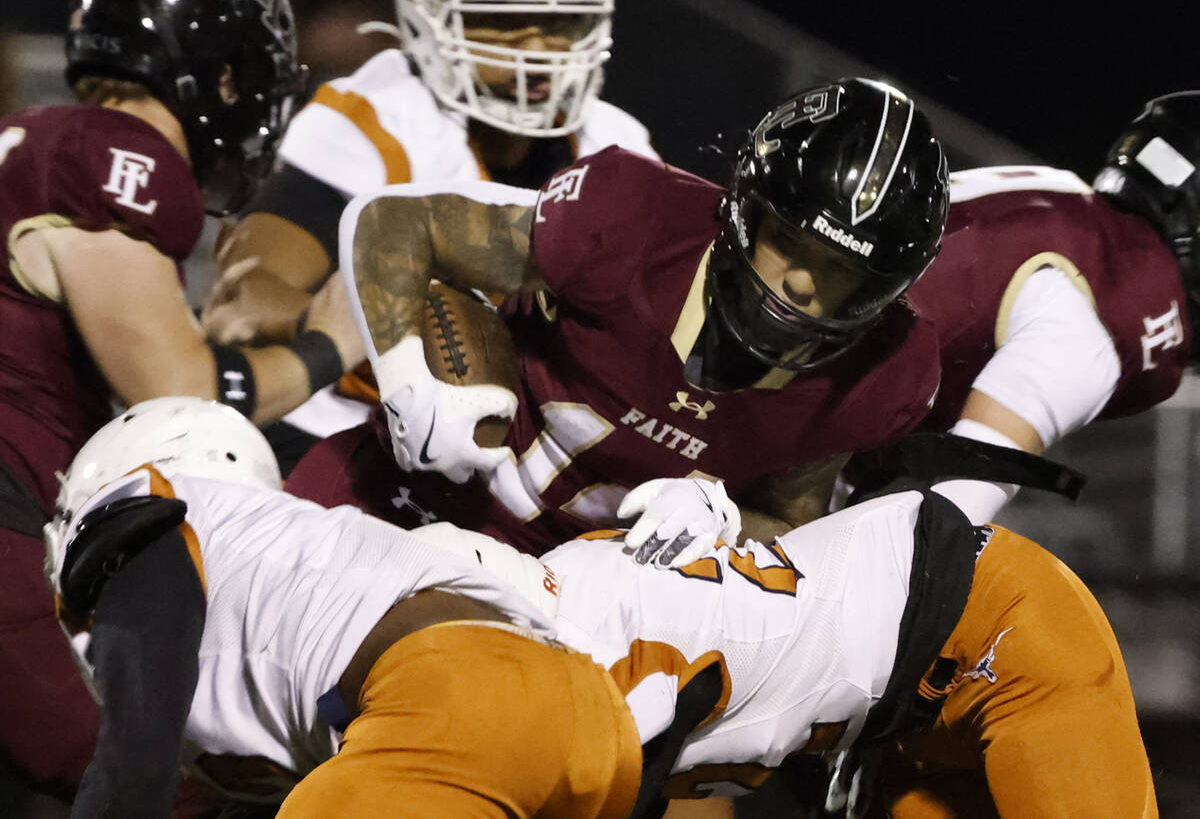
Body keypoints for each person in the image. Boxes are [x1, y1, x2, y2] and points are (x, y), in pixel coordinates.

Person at [49, 398, 1155, 818]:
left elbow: (135, 746)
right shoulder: (380, 587)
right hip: (885, 712)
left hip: (994, 626)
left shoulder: (158, 513)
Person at [0, 0, 361, 807]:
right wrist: (335, 343)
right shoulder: (115, 159)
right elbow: (182, 393)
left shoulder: (34, 136)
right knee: (140, 782)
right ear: (223, 75)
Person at [292, 77, 947, 554]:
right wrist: (408, 376)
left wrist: (725, 521)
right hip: (411, 498)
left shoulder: (882, 376)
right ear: (745, 204)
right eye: (789, 241)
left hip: (576, 592)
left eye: (840, 271)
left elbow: (791, 518)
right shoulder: (637, 219)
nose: (801, 281)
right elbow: (398, 223)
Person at [201, 0, 657, 473]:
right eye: (506, 20)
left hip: (524, 462)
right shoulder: (376, 123)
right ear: (429, 17)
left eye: (563, 20)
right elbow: (239, 299)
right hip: (346, 441)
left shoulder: (618, 149)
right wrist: (390, 337)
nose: (540, 48)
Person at [45, 397, 643, 819]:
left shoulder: (146, 519)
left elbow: (132, 766)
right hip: (591, 722)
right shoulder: (281, 577)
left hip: (460, 708)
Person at [854, 91, 1200, 523]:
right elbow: (952, 509)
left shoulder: (1064, 199)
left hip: (794, 362)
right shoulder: (1117, 302)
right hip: (786, 396)